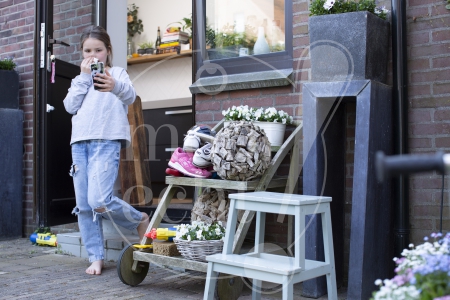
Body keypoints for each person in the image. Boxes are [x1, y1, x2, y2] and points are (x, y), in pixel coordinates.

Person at [63, 26, 149, 275]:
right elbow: (69, 106)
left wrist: (114, 85)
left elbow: (131, 96)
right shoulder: (80, 80)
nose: (93, 55)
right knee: (84, 205)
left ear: (108, 51)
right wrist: (82, 77)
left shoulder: (117, 74)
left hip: (107, 141)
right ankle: (96, 256)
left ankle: (138, 219)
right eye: (87, 51)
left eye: (98, 50)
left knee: (99, 199)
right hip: (80, 144)